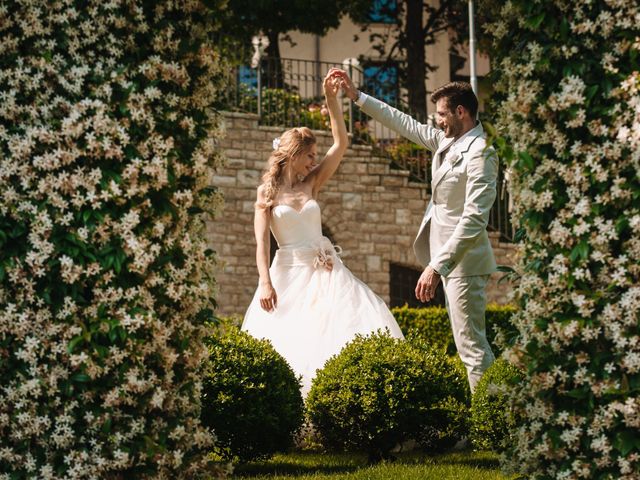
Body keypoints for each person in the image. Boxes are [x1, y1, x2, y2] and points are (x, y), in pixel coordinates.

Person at [242, 69, 404, 397]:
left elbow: (341, 143)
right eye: (310, 156)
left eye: (316, 156)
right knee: (294, 338)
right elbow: (261, 243)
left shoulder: (312, 182)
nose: (314, 162)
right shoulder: (267, 193)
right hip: (287, 274)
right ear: (293, 154)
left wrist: (332, 101)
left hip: (326, 271)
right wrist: (265, 282)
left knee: (341, 329)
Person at [334, 70, 498, 391]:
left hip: (464, 263)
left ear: (460, 112)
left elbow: (475, 218)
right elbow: (404, 123)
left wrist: (437, 266)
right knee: (468, 346)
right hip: (448, 261)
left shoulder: (480, 152)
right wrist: (357, 97)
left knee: (473, 349)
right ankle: (491, 415)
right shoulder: (447, 140)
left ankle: (492, 422)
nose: (436, 121)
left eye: (441, 114)